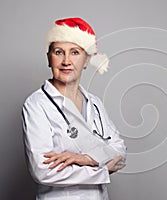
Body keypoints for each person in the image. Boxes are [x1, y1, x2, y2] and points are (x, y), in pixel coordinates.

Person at [22, 17, 126, 200]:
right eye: (59, 52)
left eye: (75, 52)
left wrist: (87, 159)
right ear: (49, 58)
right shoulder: (37, 104)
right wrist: (102, 168)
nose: (66, 61)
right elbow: (42, 170)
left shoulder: (95, 103)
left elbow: (120, 152)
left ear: (86, 60)